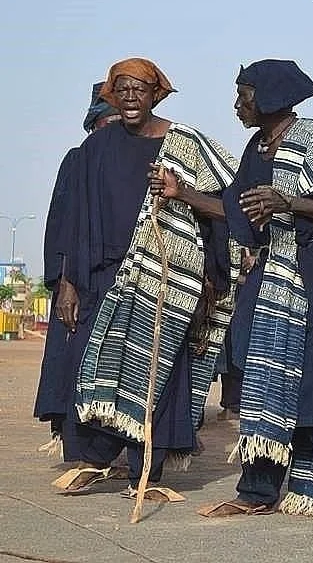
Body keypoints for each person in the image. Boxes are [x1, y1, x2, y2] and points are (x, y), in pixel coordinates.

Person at [158, 59, 313, 524]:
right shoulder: (257, 149)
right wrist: (181, 194)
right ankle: (257, 491)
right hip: (270, 279)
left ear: (269, 96)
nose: (236, 104)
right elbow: (235, 208)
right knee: (264, 378)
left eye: (243, 94)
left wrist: (290, 202)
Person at [51, 58, 239, 498]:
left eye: (140, 89)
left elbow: (230, 192)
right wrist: (68, 282)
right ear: (112, 97)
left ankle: (146, 471)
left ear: (157, 94)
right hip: (101, 275)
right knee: (98, 364)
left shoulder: (183, 142)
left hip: (165, 276)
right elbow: (76, 220)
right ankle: (94, 459)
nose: (131, 97)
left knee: (157, 370)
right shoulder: (94, 150)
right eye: (123, 91)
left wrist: (186, 199)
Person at [34, 83, 120, 455]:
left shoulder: (151, 160)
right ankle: (84, 448)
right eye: (109, 122)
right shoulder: (79, 159)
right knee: (78, 363)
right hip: (82, 280)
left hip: (130, 278)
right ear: (95, 125)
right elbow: (62, 226)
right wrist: (65, 282)